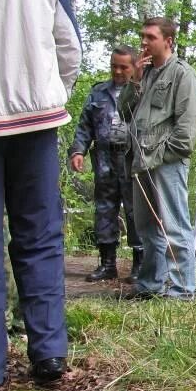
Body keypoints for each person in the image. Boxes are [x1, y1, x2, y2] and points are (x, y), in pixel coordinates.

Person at [0, 0, 82, 391]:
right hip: (34, 120)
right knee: (40, 237)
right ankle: (48, 350)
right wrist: (51, 93)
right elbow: (68, 45)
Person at [120, 16, 196, 299]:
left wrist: (163, 156)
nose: (143, 42)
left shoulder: (183, 74)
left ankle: (182, 290)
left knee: (175, 226)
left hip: (166, 162)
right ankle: (150, 284)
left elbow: (187, 130)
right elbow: (124, 111)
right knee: (146, 228)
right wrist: (136, 82)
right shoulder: (145, 74)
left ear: (167, 41)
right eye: (142, 36)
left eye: (150, 37)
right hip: (140, 161)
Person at [69, 47, 143, 282]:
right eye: (114, 65)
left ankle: (139, 264)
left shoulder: (140, 92)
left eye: (124, 67)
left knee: (134, 211)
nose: (118, 71)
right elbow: (84, 126)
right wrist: (78, 151)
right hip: (104, 160)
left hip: (131, 160)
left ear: (134, 68)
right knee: (104, 209)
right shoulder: (98, 93)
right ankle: (107, 263)